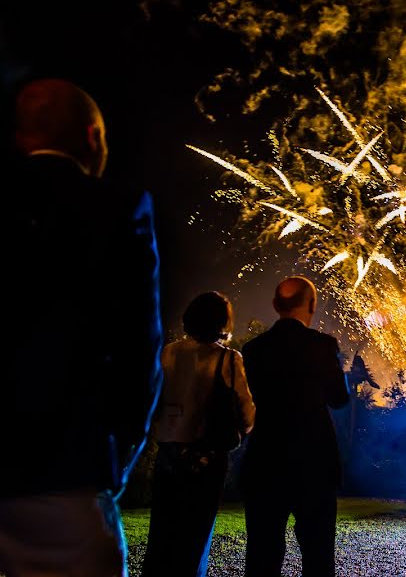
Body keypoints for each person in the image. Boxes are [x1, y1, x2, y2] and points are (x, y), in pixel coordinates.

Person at [0, 79, 162, 576]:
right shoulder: (118, 208)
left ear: (19, 136)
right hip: (65, 467)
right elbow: (140, 350)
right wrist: (116, 457)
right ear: (93, 137)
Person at [240, 277, 349, 577]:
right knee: (318, 554)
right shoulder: (323, 346)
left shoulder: (252, 350)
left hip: (265, 462)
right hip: (315, 464)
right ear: (312, 305)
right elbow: (340, 399)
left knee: (262, 555)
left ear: (276, 305)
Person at [142, 292, 255, 577]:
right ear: (222, 321)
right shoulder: (229, 359)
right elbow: (247, 412)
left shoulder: (169, 352)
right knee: (195, 537)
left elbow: (152, 398)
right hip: (207, 459)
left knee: (162, 536)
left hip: (168, 455)